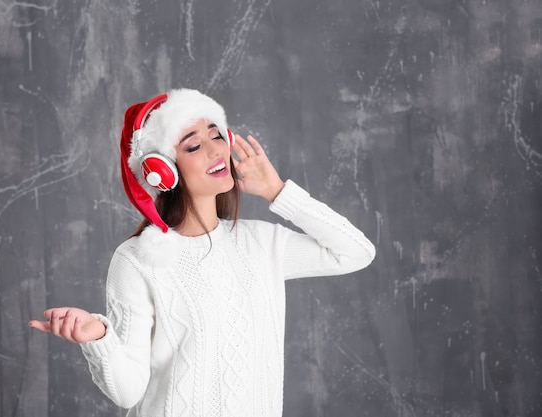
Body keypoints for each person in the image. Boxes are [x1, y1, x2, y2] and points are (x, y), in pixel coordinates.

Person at [29, 88, 376, 417]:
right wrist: (100, 338)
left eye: (217, 135)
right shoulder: (137, 258)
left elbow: (356, 252)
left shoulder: (261, 243)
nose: (216, 150)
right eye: (194, 146)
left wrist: (276, 191)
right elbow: (128, 392)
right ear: (162, 171)